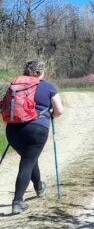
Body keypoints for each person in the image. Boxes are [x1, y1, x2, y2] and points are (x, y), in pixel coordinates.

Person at [5, 60, 64, 214]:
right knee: (28, 162)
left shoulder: (15, 86)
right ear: (39, 73)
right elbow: (59, 110)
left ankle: (38, 186)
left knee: (29, 159)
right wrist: (50, 114)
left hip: (12, 130)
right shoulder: (47, 86)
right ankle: (17, 202)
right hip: (36, 130)